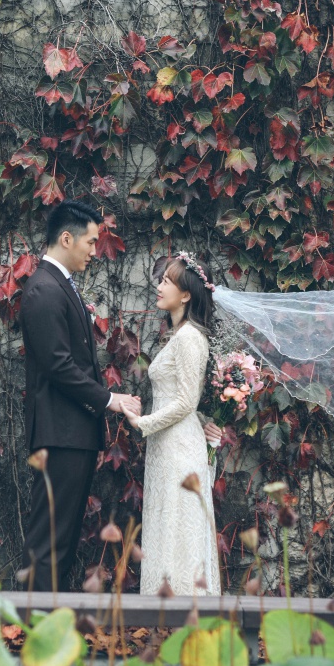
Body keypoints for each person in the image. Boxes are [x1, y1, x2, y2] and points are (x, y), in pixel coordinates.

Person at [19, 201, 219, 592]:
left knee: (60, 541)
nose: (95, 251)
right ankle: (34, 629)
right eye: (91, 242)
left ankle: (48, 625)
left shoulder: (58, 285)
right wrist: (111, 401)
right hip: (59, 435)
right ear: (66, 238)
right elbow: (59, 366)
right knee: (49, 541)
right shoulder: (43, 290)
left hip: (72, 435)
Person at [121, 252, 222, 596]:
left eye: (167, 281)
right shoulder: (178, 335)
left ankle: (185, 616)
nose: (159, 285)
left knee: (179, 532)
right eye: (161, 279)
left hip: (179, 449)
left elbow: (186, 402)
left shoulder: (191, 337)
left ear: (187, 294)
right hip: (168, 446)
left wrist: (142, 422)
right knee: (166, 528)